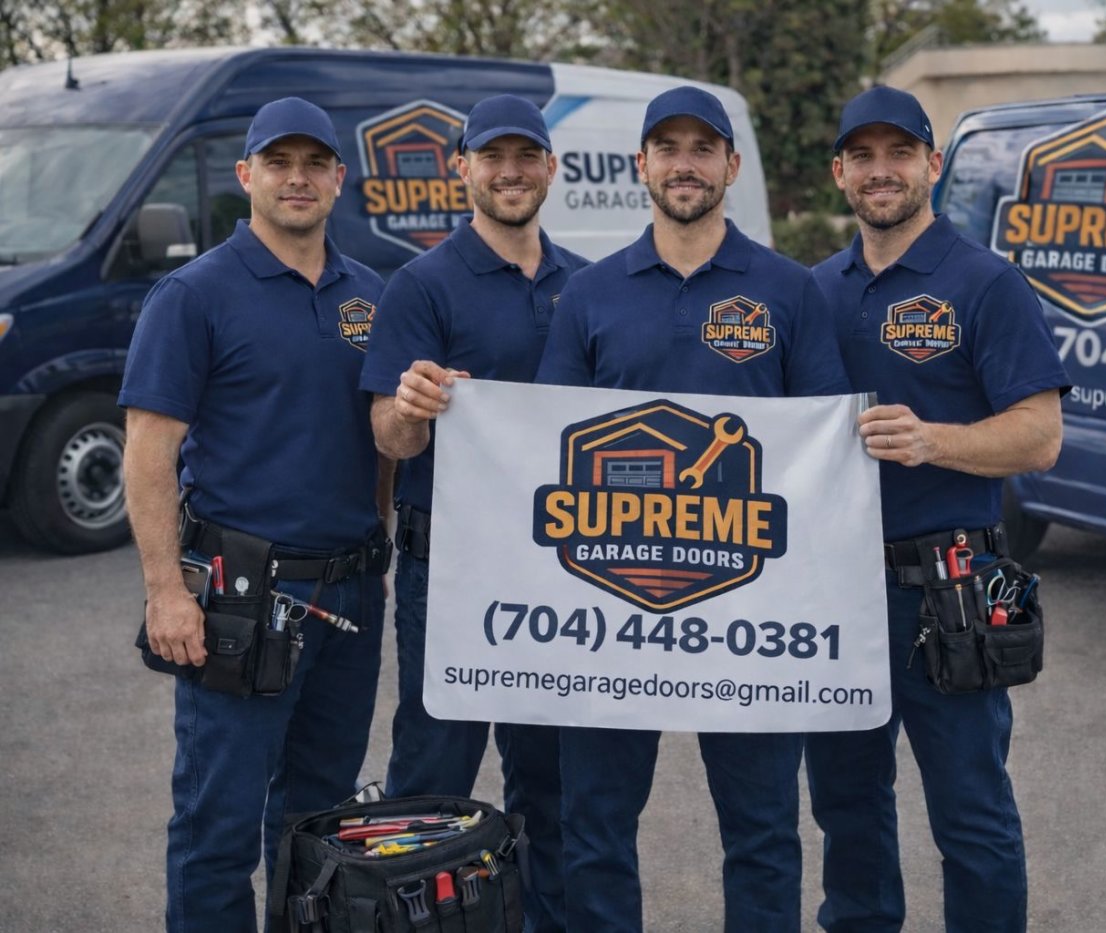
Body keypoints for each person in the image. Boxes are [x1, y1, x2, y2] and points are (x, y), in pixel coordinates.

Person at [535, 85, 850, 933]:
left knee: (761, 832)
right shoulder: (590, 295)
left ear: (731, 165)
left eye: (702, 148)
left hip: (751, 610)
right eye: (666, 147)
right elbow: (541, 447)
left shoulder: (788, 291)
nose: (684, 163)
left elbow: (825, 451)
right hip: (611, 608)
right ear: (641, 164)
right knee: (595, 828)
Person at [121, 97, 392, 932]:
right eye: (279, 163)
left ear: (340, 179)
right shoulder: (193, 294)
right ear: (247, 177)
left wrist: (375, 539)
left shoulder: (372, 295)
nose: (298, 178)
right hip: (241, 597)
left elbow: (382, 440)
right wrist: (167, 590)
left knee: (320, 824)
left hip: (348, 594)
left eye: (316, 164)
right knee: (218, 825)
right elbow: (147, 453)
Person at [803, 86, 1069, 933]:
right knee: (847, 809)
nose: (883, 172)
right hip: (832, 595)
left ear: (932, 165)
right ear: (841, 172)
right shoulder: (810, 292)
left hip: (948, 589)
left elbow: (1040, 436)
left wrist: (933, 441)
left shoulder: (985, 282)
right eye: (865, 157)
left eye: (901, 154)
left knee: (971, 815)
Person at [359, 94, 588, 933]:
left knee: (552, 777)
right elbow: (389, 433)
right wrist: (411, 410)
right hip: (450, 574)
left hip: (561, 572)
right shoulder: (421, 285)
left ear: (551, 168)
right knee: (433, 774)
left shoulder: (586, 286)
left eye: (527, 155)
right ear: (462, 168)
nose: (511, 171)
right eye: (493, 156)